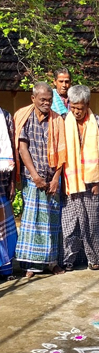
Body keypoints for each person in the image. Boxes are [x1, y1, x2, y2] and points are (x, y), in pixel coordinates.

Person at [14, 82, 66, 278]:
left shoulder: (57, 120)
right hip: (32, 179)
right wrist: (35, 176)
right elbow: (22, 148)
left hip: (52, 179)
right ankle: (31, 266)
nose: (46, 103)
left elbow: (63, 151)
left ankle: (52, 263)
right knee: (32, 223)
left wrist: (56, 179)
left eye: (49, 100)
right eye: (43, 99)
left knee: (52, 224)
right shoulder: (24, 117)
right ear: (33, 98)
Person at [61, 85, 99, 271]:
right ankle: (69, 259)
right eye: (73, 107)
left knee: (90, 223)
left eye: (79, 108)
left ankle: (93, 258)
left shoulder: (96, 121)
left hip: (91, 182)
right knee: (70, 223)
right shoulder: (64, 120)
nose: (76, 111)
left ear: (87, 104)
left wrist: (98, 180)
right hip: (70, 181)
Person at [0, 106, 17, 280]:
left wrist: (12, 182)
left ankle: (5, 268)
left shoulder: (4, 116)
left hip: (1, 182)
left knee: (3, 230)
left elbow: (12, 148)